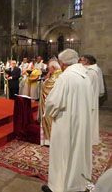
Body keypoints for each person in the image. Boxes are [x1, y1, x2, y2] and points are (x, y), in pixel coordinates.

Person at [41, 49, 94, 192]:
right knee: (78, 153)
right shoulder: (86, 76)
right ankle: (78, 185)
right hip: (82, 121)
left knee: (63, 154)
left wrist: (48, 113)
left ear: (62, 63)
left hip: (66, 123)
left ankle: (58, 187)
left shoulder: (65, 77)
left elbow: (53, 102)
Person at [38, 59, 62, 146]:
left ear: (53, 67)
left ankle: (49, 140)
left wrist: (45, 80)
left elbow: (46, 87)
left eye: (49, 68)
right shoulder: (58, 74)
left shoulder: (56, 76)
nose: (48, 70)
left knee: (49, 119)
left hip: (51, 104)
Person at [81, 54, 100, 145]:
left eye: (81, 60)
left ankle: (89, 138)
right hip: (91, 98)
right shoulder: (92, 71)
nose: (80, 62)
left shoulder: (90, 72)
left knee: (89, 119)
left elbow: (86, 87)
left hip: (88, 99)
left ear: (86, 62)